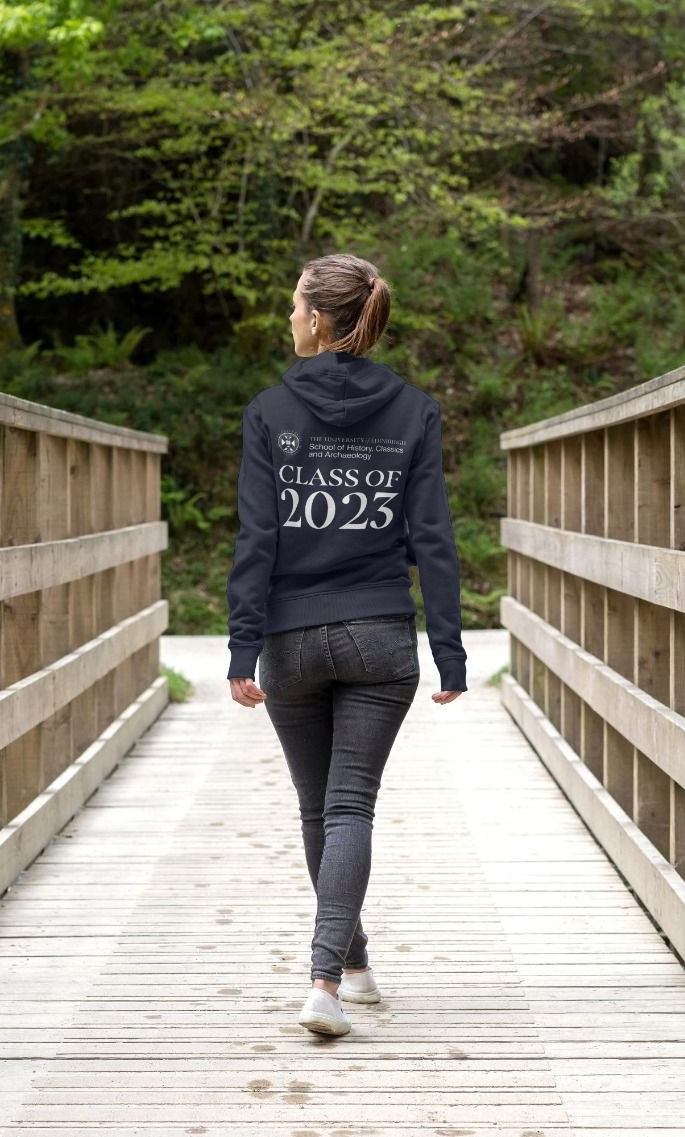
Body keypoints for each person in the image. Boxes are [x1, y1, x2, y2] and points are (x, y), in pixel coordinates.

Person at [225, 252, 468, 1036]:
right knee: (349, 804)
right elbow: (433, 538)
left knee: (318, 809)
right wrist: (450, 651)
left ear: (321, 320)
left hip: (291, 642)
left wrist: (241, 646)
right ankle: (345, 968)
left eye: (296, 307)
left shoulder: (269, 411)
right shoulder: (414, 412)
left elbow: (257, 538)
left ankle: (329, 978)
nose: (290, 319)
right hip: (378, 637)